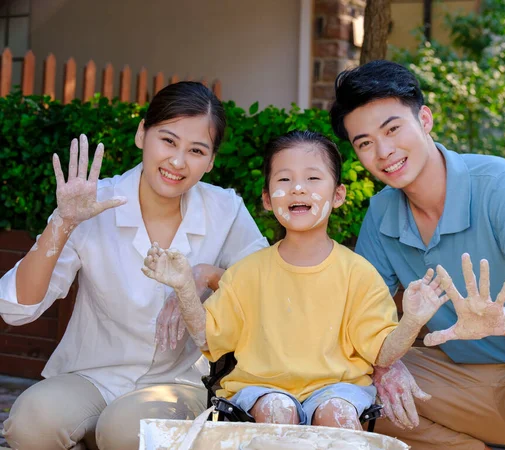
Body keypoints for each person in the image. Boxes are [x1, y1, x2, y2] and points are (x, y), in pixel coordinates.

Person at [329, 60, 505, 450]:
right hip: (482, 390)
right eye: (365, 143)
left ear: (424, 119)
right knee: (356, 385)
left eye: (392, 129)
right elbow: (361, 324)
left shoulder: (504, 185)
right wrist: (382, 366)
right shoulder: (382, 213)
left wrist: (503, 319)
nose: (384, 151)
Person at [0, 82, 268, 450]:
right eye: (168, 140)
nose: (177, 161)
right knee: (31, 423)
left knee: (126, 431)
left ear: (211, 161)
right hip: (91, 375)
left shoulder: (225, 210)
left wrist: (204, 275)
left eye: (196, 150)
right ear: (142, 133)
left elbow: (264, 288)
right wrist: (62, 224)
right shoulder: (93, 202)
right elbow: (17, 309)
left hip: (178, 383)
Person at [142, 130, 450, 430]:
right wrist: (184, 288)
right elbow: (208, 339)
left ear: (338, 194)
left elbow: (382, 353)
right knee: (278, 412)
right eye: (285, 179)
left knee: (336, 414)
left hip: (340, 390)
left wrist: (411, 321)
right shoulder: (247, 273)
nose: (298, 188)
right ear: (266, 198)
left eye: (313, 178)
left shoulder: (359, 274)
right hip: (260, 389)